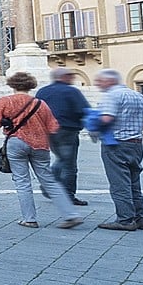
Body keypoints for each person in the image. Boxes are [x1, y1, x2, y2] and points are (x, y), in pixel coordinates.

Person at [0, 71, 82, 229]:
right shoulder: (41, 104)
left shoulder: (5, 101)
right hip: (41, 145)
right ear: (31, 85)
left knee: (22, 181)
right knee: (48, 180)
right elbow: (53, 126)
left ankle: (30, 219)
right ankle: (70, 214)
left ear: (12, 85)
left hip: (16, 142)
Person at [90, 68, 143, 230]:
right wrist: (142, 126)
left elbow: (107, 118)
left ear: (110, 81)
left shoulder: (112, 96)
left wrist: (93, 127)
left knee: (119, 183)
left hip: (116, 144)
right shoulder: (137, 95)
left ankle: (125, 220)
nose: (97, 84)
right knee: (134, 182)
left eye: (100, 81)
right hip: (136, 144)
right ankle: (141, 218)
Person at [33, 67, 92, 208]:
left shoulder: (43, 91)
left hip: (49, 131)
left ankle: (49, 185)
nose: (72, 78)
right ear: (63, 77)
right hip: (68, 130)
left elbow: (36, 110)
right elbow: (83, 110)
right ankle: (67, 194)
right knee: (69, 163)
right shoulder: (71, 91)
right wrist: (92, 127)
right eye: (70, 75)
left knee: (61, 158)